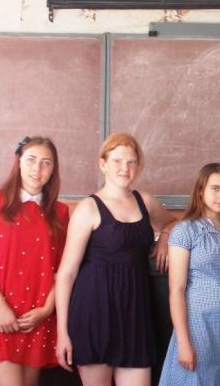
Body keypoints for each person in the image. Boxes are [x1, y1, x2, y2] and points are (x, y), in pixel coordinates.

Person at [55, 133, 176, 386]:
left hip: (135, 314)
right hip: (94, 313)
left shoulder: (145, 201)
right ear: (103, 164)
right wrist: (62, 332)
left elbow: (174, 222)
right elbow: (66, 274)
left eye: (131, 162)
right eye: (117, 161)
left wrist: (165, 236)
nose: (125, 168)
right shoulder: (88, 208)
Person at [0, 136, 70, 386]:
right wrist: (0, 307)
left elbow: (62, 269)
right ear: (19, 161)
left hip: (37, 317)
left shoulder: (60, 212)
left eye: (46, 163)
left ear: (53, 169)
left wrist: (46, 310)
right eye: (31, 160)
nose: (37, 169)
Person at [159, 163, 220, 385]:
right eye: (215, 189)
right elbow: (177, 290)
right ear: (201, 190)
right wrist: (183, 342)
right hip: (198, 326)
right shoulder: (185, 231)